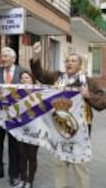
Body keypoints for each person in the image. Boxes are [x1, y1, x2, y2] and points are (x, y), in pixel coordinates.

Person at [30, 42, 106, 188]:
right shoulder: (57, 77)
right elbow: (40, 75)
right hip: (59, 128)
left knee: (80, 165)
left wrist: (88, 95)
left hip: (80, 131)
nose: (69, 63)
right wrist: (36, 57)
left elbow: (103, 103)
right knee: (59, 163)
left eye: (73, 61)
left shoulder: (87, 81)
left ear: (80, 65)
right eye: (67, 61)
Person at [0, 46, 25, 186]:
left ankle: (14, 174)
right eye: (2, 56)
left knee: (14, 146)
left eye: (6, 56)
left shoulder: (22, 71)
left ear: (13, 58)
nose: (3, 59)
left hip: (16, 115)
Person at [16, 71, 39, 188]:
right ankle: (23, 179)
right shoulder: (16, 93)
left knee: (32, 155)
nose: (24, 80)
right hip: (21, 129)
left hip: (35, 130)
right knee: (22, 155)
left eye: (27, 78)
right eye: (22, 78)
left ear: (32, 79)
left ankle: (30, 181)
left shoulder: (39, 93)